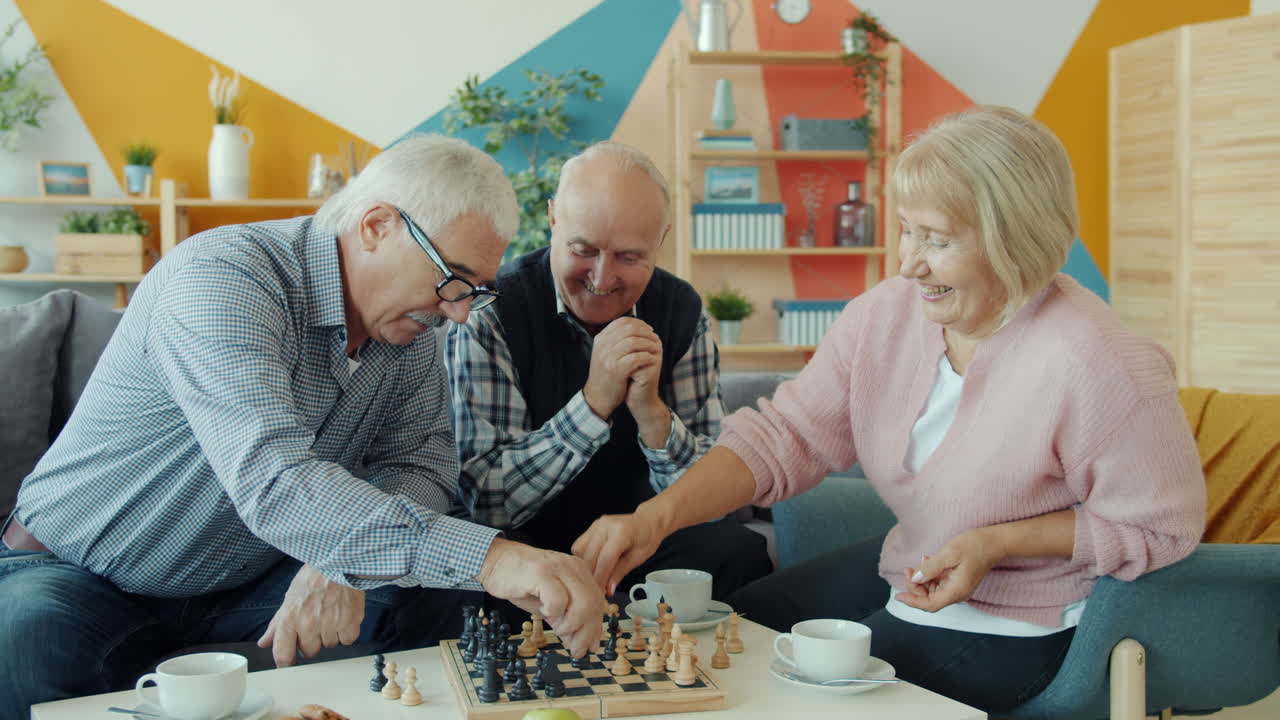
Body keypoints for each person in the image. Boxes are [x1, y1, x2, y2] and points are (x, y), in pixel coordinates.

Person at [571, 107, 1207, 713]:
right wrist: (654, 519)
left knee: (795, 698)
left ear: (1016, 239)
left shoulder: (1100, 363)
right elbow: (783, 436)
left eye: (937, 240)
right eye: (907, 230)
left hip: (1025, 618)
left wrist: (999, 542)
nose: (908, 264)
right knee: (736, 638)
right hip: (915, 567)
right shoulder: (887, 315)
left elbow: (1159, 529)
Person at [0, 135, 604, 718]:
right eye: (454, 279)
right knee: (30, 636)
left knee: (438, 595)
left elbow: (420, 464)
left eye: (475, 291)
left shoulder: (413, 328)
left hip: (244, 579)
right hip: (79, 573)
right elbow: (276, 483)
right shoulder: (226, 278)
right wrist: (492, 559)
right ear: (376, 226)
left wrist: (342, 556)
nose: (461, 311)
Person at [447, 141, 771, 602]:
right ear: (553, 218)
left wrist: (653, 416)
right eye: (584, 250)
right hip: (524, 547)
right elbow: (488, 503)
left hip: (638, 537)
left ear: (660, 240)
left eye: (629, 257)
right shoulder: (492, 311)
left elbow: (716, 500)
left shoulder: (681, 310)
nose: (601, 278)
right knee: (467, 591)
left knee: (737, 553)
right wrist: (593, 404)